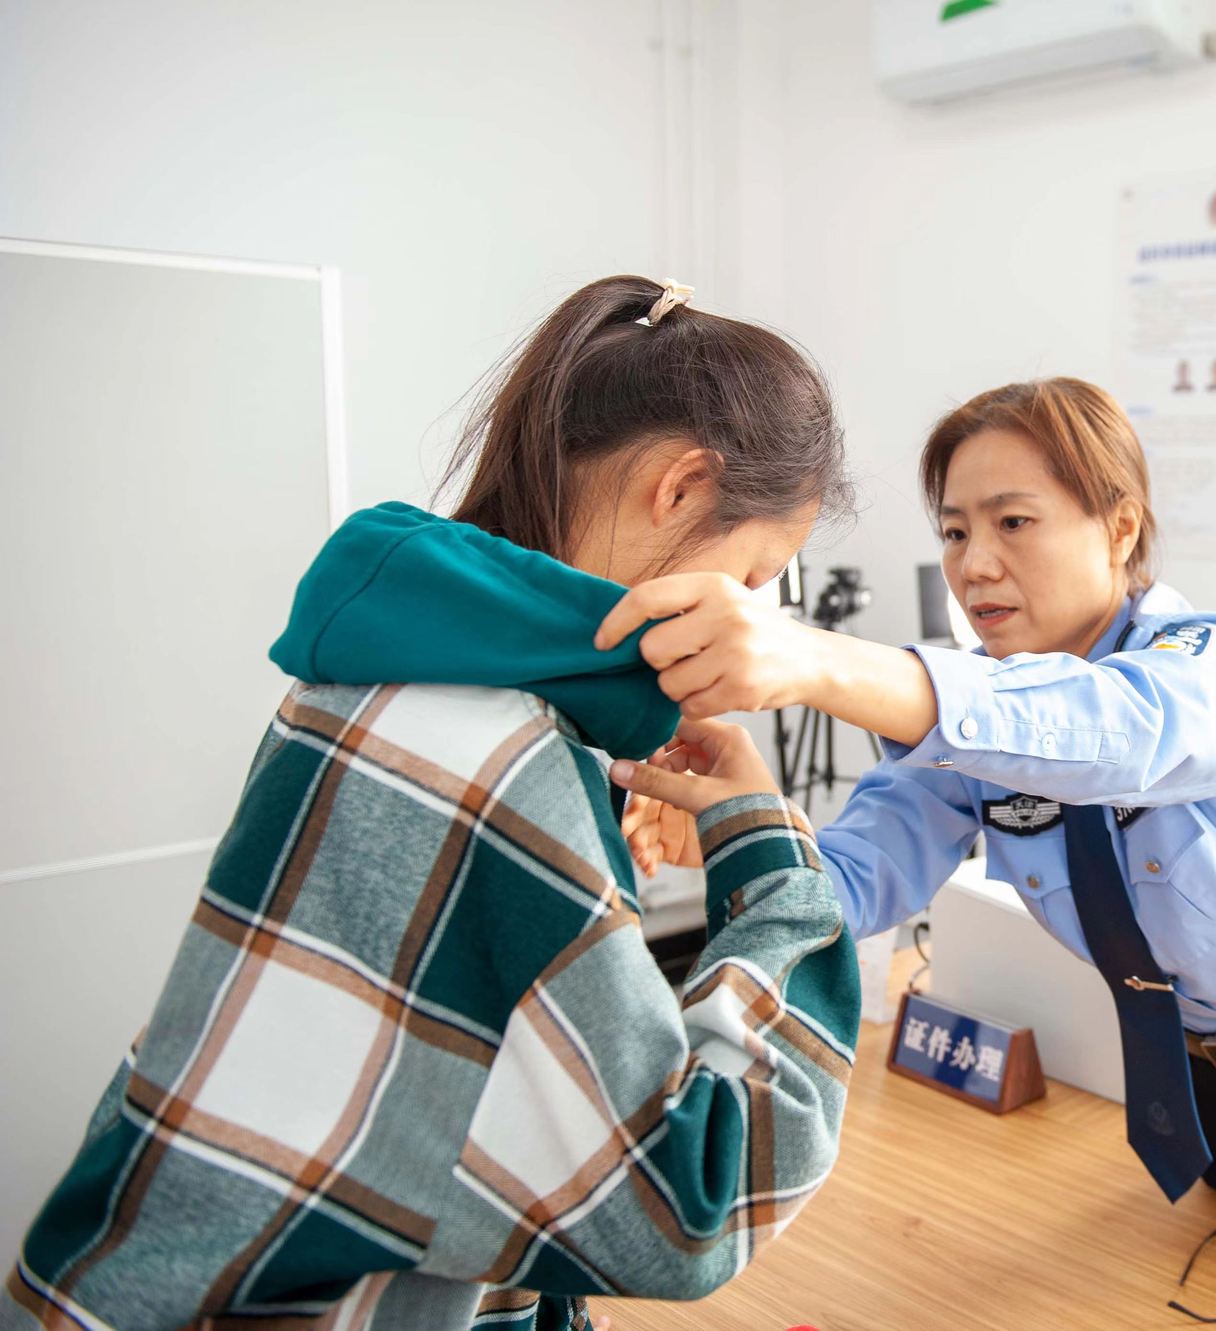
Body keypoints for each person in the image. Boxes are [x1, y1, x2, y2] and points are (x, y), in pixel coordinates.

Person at [606, 377, 1216, 1314]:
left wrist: (816, 660)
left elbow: (1106, 732)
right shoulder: (981, 721)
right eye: (954, 530)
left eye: (1013, 521)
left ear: (1119, 526)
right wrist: (741, 827)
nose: (974, 563)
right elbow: (860, 877)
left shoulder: (1206, 670)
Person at [4, 277, 860, 1331]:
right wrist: (769, 855)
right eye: (757, 571)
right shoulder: (506, 759)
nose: (750, 615)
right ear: (682, 487)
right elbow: (689, 1209)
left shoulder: (375, 669)